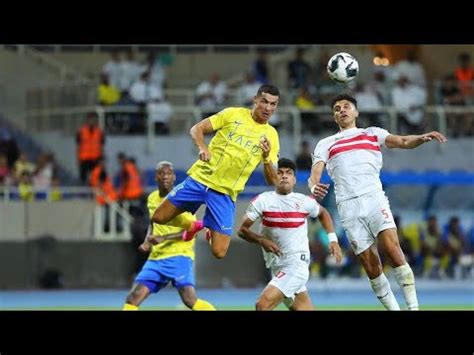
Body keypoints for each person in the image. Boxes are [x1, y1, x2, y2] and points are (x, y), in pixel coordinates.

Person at [308, 94, 448, 310]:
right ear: (334, 116)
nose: (342, 110)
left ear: (356, 112)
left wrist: (421, 137)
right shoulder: (326, 143)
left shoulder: (372, 133)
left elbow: (402, 141)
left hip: (374, 199)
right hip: (348, 206)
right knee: (371, 265)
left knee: (393, 249)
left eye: (346, 106)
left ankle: (413, 308)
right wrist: (313, 185)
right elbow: (315, 172)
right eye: (337, 108)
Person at [152, 85, 281, 259]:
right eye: (264, 101)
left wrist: (266, 158)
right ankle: (195, 225)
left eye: (273, 104)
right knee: (158, 217)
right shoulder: (232, 114)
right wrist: (202, 147)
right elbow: (196, 129)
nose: (268, 108)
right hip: (200, 180)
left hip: (225, 194)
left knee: (219, 252)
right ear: (255, 100)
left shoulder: (272, 135)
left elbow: (272, 180)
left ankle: (209, 227)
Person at [238, 158, 342, 311]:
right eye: (279, 173)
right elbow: (242, 230)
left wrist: (333, 240)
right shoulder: (263, 201)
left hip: (296, 265)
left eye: (289, 173)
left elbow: (323, 213)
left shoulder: (303, 201)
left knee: (263, 304)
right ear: (274, 177)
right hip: (276, 266)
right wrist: (262, 241)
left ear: (294, 180)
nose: (284, 176)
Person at [123, 161, 215, 311]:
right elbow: (153, 222)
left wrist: (164, 238)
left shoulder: (182, 200)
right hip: (156, 257)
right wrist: (147, 241)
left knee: (190, 300)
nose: (165, 176)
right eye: (161, 173)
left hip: (179, 255)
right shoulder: (152, 198)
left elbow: (192, 231)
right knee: (133, 298)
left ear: (174, 178)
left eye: (168, 173)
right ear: (156, 177)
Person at [76, 113, 105, 184]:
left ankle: (95, 194)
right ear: (87, 120)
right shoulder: (81, 131)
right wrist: (78, 159)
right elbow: (78, 146)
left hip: (96, 159)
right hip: (84, 159)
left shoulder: (99, 132)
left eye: (94, 119)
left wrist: (102, 159)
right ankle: (83, 194)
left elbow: (102, 146)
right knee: (83, 179)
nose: (92, 121)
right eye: (90, 119)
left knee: (96, 179)